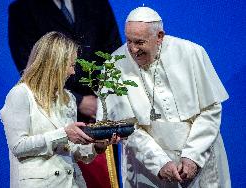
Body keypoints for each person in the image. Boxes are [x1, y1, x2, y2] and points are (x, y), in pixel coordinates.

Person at [97, 7, 231, 188]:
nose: (133, 49)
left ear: (159, 36)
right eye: (129, 41)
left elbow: (210, 109)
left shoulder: (192, 53)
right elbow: (127, 127)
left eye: (140, 42)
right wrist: (159, 163)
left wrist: (193, 156)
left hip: (200, 159)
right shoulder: (114, 64)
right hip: (148, 168)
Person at [8, 1, 122, 187]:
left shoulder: (67, 99)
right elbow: (18, 147)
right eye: (70, 65)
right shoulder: (20, 96)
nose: (73, 72)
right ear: (54, 64)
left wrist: (97, 147)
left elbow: (72, 150)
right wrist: (63, 133)